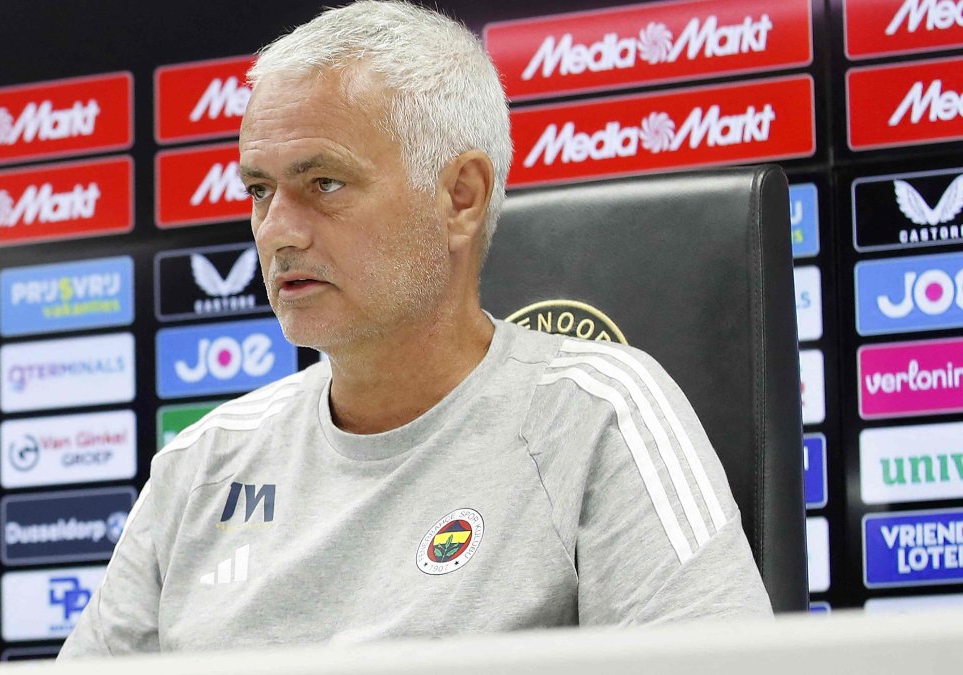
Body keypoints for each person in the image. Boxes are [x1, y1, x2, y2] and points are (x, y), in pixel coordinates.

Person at [59, 0, 771, 658]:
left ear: (460, 196)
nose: (276, 231)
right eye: (258, 190)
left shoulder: (596, 416)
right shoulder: (199, 465)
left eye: (324, 184)